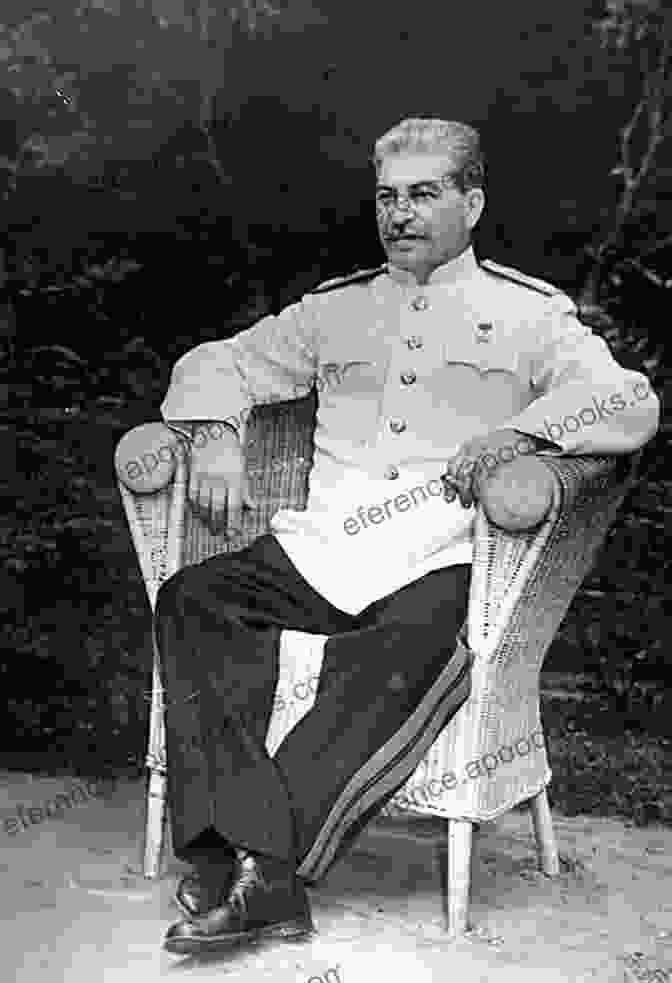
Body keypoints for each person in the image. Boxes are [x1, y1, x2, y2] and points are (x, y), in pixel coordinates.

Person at [155, 118, 659, 956]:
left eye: (423, 194)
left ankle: (258, 867)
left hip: (443, 553)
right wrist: (213, 430)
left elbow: (627, 399)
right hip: (322, 549)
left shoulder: (527, 313)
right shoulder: (335, 310)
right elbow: (222, 360)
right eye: (387, 196)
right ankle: (253, 863)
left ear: (473, 201)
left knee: (414, 640)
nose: (399, 213)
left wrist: (524, 435)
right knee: (194, 596)